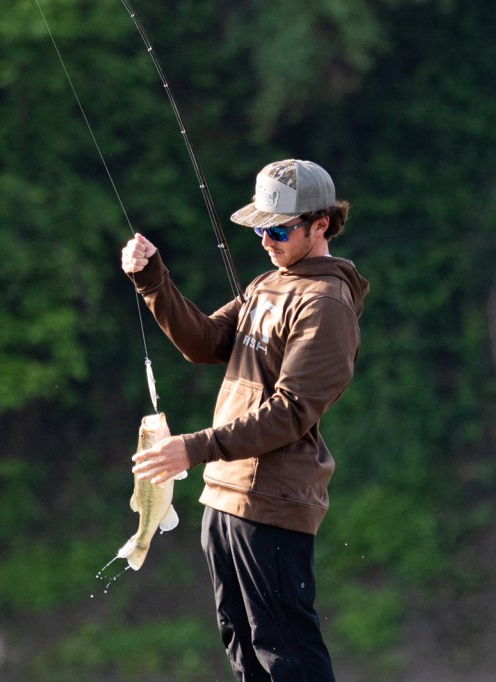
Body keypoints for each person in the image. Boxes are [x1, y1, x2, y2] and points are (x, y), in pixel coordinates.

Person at [121, 159, 369, 681]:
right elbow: (206, 342)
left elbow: (293, 410)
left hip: (273, 504)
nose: (265, 241)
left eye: (278, 230)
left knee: (287, 655)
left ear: (321, 224)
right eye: (260, 229)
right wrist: (152, 280)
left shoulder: (326, 304)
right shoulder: (268, 284)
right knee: (242, 649)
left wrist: (195, 447)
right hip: (224, 497)